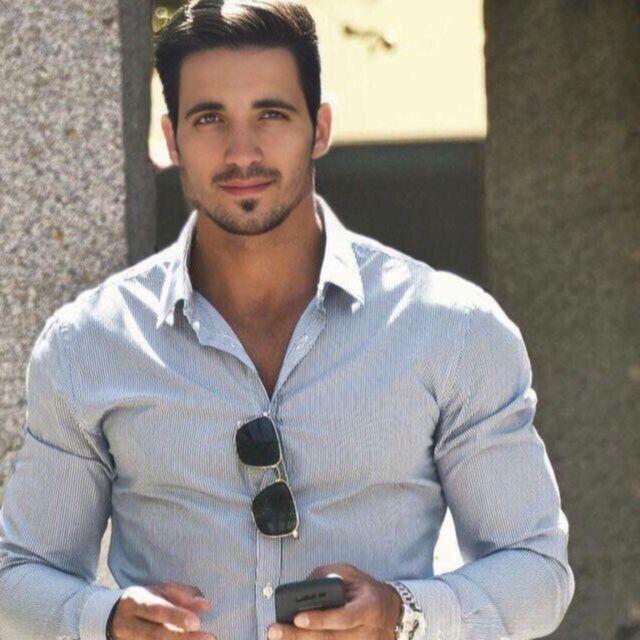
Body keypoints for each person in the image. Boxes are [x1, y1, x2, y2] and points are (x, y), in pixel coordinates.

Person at [0, 1, 575, 639]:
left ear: (319, 129)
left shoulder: (454, 331)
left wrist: (401, 614)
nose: (241, 151)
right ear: (172, 140)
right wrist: (107, 622)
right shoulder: (87, 344)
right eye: (209, 118)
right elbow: (17, 574)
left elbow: (537, 571)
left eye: (271, 114)